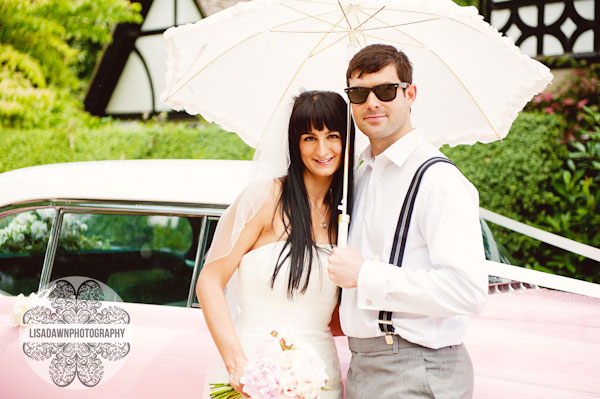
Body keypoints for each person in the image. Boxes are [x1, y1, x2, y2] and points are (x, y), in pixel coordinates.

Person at [328, 44, 488, 398]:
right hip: (363, 365)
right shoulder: (360, 175)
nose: (372, 103)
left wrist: (365, 275)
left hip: (418, 369)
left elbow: (468, 291)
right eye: (358, 93)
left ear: (410, 93)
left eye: (386, 91)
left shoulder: (438, 180)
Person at [197, 90, 353, 399]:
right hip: (251, 375)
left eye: (332, 136)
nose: (322, 149)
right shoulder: (265, 199)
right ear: (295, 144)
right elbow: (210, 281)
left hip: (320, 381)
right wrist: (237, 363)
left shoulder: (348, 218)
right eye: (309, 138)